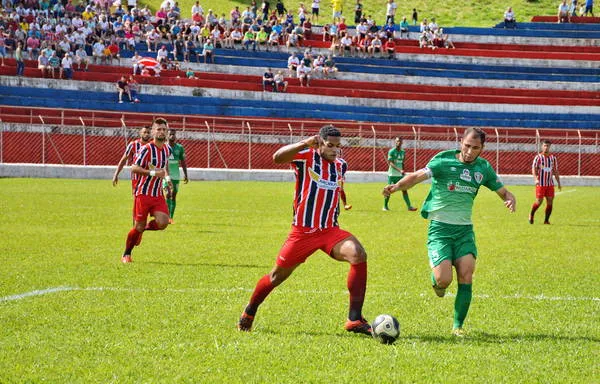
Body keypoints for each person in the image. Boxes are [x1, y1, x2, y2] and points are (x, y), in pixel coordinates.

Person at [237, 125, 371, 335]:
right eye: (330, 145)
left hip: (329, 231)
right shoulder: (306, 156)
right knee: (276, 277)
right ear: (320, 143)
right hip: (302, 232)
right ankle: (250, 311)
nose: (334, 150)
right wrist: (304, 143)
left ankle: (354, 319)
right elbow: (277, 158)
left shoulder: (341, 165)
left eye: (338, 146)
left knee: (358, 254)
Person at [383, 128, 516, 337]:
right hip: (440, 230)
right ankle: (437, 280)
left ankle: (457, 326)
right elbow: (418, 176)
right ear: (461, 142)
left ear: (482, 148)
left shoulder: (483, 168)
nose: (470, 151)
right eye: (467, 146)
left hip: (464, 231)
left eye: (476, 148)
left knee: (466, 274)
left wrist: (509, 198)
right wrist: (397, 186)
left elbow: (502, 190)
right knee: (443, 280)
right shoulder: (443, 161)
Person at [121, 118, 173, 264]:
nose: (161, 132)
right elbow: (134, 167)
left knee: (163, 223)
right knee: (138, 226)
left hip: (157, 194)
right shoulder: (146, 149)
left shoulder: (167, 149)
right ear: (153, 131)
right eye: (159, 129)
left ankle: (142, 229)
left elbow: (165, 167)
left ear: (167, 132)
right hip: (143, 193)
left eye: (164, 129)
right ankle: (126, 254)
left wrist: (168, 181)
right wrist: (153, 173)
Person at [529, 139, 561, 225]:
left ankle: (546, 220)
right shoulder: (538, 157)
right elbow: (534, 169)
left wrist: (559, 182)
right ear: (542, 146)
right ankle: (531, 214)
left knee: (550, 201)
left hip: (549, 183)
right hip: (541, 183)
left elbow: (555, 170)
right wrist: (535, 179)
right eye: (545, 146)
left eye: (548, 146)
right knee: (539, 202)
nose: (546, 147)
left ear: (550, 147)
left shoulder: (553, 158)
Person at [112, 125, 153, 191]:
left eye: (148, 133)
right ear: (140, 133)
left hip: (149, 177)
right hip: (136, 178)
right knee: (137, 198)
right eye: (144, 132)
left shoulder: (152, 146)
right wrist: (116, 174)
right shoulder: (133, 145)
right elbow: (123, 160)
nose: (146, 134)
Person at [383, 137, 417, 211]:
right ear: (395, 142)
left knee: (404, 190)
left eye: (400, 141)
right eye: (397, 141)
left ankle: (409, 207)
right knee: (389, 190)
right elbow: (390, 163)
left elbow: (402, 163)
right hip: (392, 175)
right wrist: (399, 170)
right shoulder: (391, 151)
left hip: (400, 175)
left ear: (402, 143)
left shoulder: (403, 152)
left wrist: (403, 171)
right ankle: (385, 206)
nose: (398, 142)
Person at [164, 129, 188, 223]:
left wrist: (186, 175)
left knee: (173, 195)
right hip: (166, 175)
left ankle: (171, 217)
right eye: (170, 134)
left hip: (176, 176)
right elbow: (163, 162)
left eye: (174, 134)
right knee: (168, 194)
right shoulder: (164, 147)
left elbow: (183, 162)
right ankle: (166, 216)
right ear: (167, 136)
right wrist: (166, 175)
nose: (172, 136)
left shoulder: (180, 148)